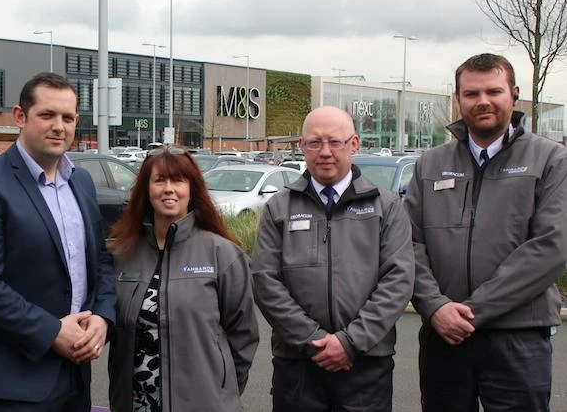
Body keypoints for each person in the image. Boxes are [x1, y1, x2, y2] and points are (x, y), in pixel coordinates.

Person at [406, 53, 567, 411]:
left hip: (518, 338)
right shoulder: (430, 165)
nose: (482, 101)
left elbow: (550, 248)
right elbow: (408, 245)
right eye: (471, 93)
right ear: (458, 99)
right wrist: (436, 307)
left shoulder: (551, 160)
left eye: (493, 91)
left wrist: (471, 312)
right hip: (443, 337)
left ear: (514, 94)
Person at [0, 72, 116, 411]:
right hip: (11, 383)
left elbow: (99, 260)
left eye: (67, 117)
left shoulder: (80, 182)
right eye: (47, 115)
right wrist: (52, 332)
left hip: (74, 377)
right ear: (20, 116)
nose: (59, 126)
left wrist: (102, 317)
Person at [252, 106, 414, 411]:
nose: (325, 152)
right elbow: (265, 280)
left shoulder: (386, 207)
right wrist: (312, 340)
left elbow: (398, 280)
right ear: (301, 146)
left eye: (335, 142)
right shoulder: (279, 207)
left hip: (366, 366)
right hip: (298, 364)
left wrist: (350, 342)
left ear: (353, 144)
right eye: (315, 143)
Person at [106, 147, 258, 412]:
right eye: (159, 180)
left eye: (178, 180)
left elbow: (243, 336)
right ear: (146, 189)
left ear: (192, 189)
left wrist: (222, 392)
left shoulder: (222, 254)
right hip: (137, 404)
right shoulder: (122, 255)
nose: (168, 189)